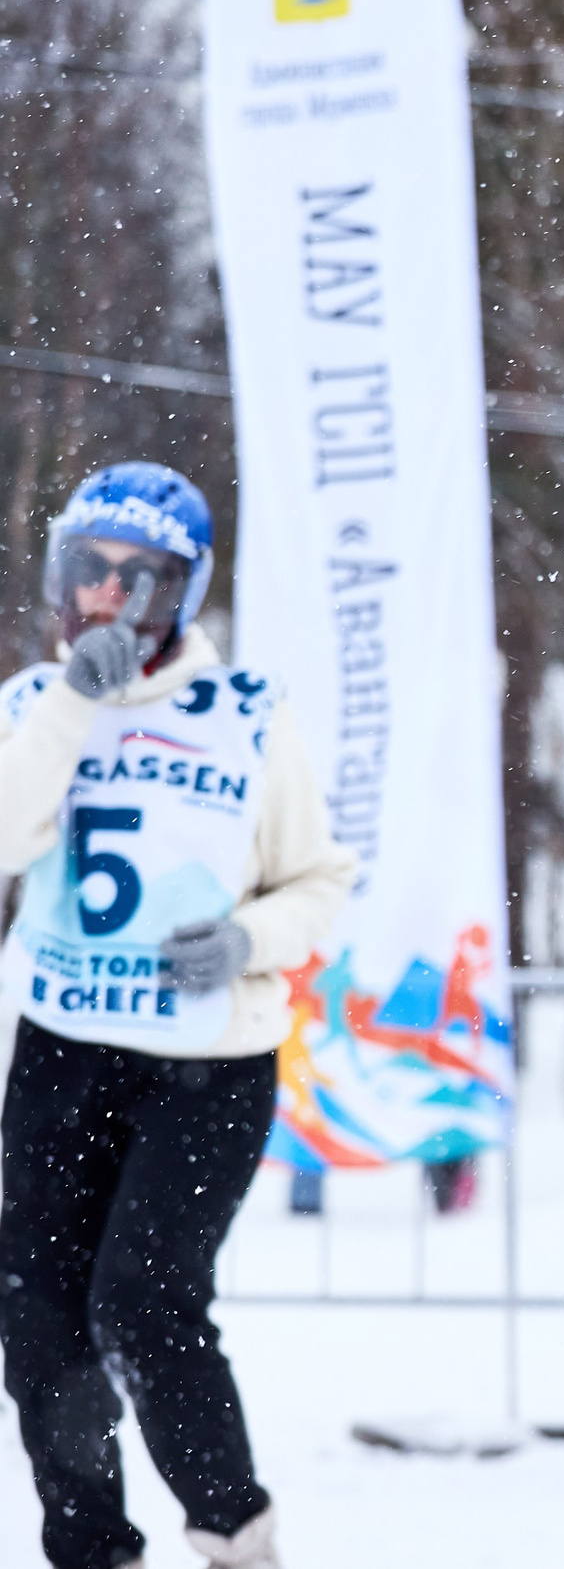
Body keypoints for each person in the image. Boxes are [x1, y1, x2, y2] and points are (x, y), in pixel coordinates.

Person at [0, 463, 356, 1569]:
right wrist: (75, 703)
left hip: (207, 1066)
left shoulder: (245, 715)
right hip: (65, 1051)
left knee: (144, 1304)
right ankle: (92, 1547)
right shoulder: (30, 708)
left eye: (139, 579)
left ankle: (236, 1537)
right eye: (87, 573)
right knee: (39, 1323)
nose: (108, 600)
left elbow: (322, 884)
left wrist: (250, 940)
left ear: (182, 594)